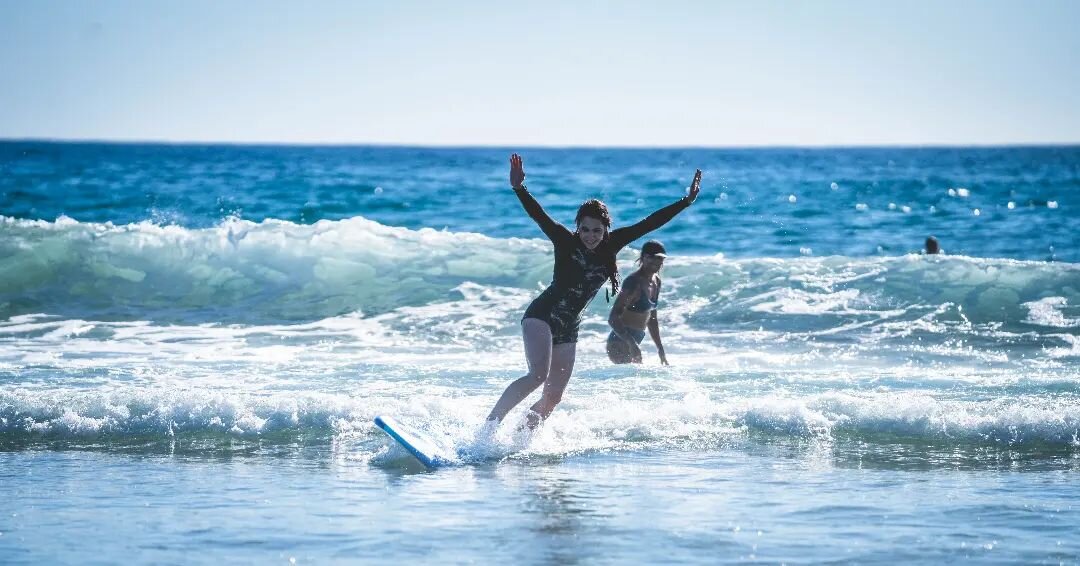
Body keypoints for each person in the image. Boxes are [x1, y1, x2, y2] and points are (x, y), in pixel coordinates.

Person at [486, 154, 700, 428]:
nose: (590, 235)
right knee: (537, 376)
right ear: (577, 228)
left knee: (553, 398)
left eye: (596, 230)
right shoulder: (564, 240)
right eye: (585, 229)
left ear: (606, 229)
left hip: (569, 326)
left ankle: (519, 438)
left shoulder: (613, 244)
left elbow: (651, 223)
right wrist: (519, 188)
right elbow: (538, 215)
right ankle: (489, 428)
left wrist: (687, 201)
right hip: (542, 315)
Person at [607, 240, 670, 365]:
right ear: (643, 257)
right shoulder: (633, 282)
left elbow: (652, 319)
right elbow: (613, 318)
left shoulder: (656, 281)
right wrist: (631, 343)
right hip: (620, 341)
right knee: (628, 381)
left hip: (636, 338)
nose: (657, 262)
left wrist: (660, 348)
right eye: (652, 257)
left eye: (660, 258)